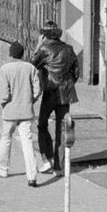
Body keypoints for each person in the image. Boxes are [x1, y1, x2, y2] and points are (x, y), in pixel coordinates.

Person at [32, 19, 80, 174]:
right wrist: (68, 83)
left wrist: (38, 45)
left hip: (51, 91)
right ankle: (59, 166)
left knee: (42, 124)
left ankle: (47, 158)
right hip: (66, 93)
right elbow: (76, 72)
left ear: (45, 36)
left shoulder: (44, 49)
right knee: (62, 128)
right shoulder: (69, 49)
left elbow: (31, 65)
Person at [0, 41, 42, 184]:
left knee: (6, 138)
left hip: (10, 112)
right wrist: (31, 101)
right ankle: (32, 176)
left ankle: (2, 170)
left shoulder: (4, 69)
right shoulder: (30, 68)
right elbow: (37, 89)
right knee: (27, 142)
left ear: (10, 54)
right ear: (23, 54)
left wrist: (4, 104)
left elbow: (4, 94)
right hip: (26, 111)